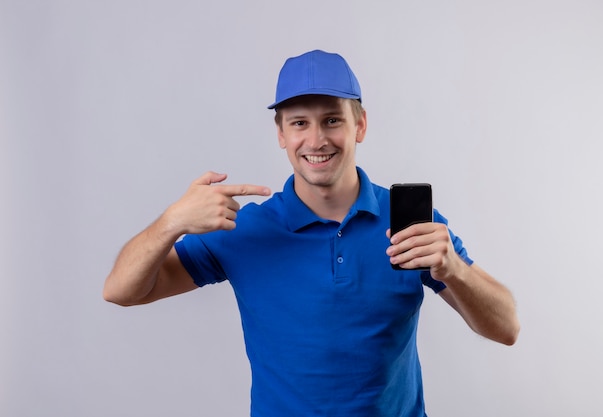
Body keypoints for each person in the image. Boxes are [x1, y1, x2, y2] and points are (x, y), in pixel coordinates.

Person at [103, 49, 520, 417]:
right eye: (300, 123)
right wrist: (170, 223)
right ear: (281, 134)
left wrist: (455, 271)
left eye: (332, 120)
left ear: (360, 125)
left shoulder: (412, 223)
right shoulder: (245, 230)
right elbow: (122, 290)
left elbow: (506, 329)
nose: (316, 139)